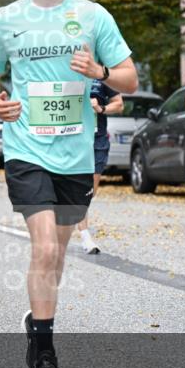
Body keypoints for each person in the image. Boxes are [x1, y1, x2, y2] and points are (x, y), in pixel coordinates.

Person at [0, 0, 138, 368]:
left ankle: (37, 317)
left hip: (75, 154)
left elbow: (127, 77)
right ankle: (44, 355)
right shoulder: (7, 18)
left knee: (58, 254)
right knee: (44, 247)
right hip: (26, 148)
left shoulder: (93, 16)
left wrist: (100, 71)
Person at [76, 79, 123, 254]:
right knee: (76, 185)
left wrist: (101, 108)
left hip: (97, 140)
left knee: (91, 189)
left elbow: (118, 104)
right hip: (72, 138)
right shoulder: (64, 69)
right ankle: (85, 234)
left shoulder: (101, 76)